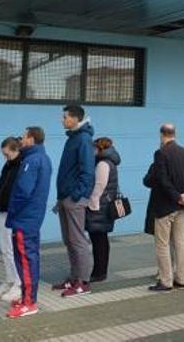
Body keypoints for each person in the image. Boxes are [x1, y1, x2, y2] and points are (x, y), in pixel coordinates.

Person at [6, 126, 53, 318]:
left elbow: (23, 191)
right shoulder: (42, 158)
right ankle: (28, 297)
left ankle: (29, 302)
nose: (21, 140)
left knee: (26, 260)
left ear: (32, 139)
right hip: (31, 218)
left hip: (25, 219)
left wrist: (13, 211)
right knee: (30, 259)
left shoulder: (32, 161)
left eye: (24, 137)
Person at [145, 124, 184, 292]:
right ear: (174, 134)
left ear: (161, 135)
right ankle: (181, 279)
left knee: (162, 244)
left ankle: (166, 281)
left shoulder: (161, 153)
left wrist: (176, 196)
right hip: (182, 206)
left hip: (165, 205)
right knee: (180, 242)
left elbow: (162, 180)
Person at [53, 105, 95, 297]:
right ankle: (73, 277)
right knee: (69, 240)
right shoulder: (73, 138)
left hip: (74, 199)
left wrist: (77, 195)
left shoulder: (84, 139)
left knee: (78, 240)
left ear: (75, 119)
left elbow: (88, 172)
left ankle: (83, 282)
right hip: (65, 198)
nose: (62, 120)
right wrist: (61, 197)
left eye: (65, 117)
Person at [0, 137, 23, 302]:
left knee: (12, 248)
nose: (5, 157)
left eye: (7, 154)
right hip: (2, 209)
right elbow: (1, 183)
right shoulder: (8, 165)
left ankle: (19, 282)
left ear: (16, 150)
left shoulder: (22, 165)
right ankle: (10, 279)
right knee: (5, 248)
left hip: (13, 212)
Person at [86, 137, 121, 283]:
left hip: (99, 207)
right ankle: (100, 271)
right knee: (101, 239)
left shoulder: (103, 164)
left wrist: (92, 203)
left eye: (94, 148)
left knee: (98, 240)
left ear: (99, 149)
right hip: (105, 206)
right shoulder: (110, 162)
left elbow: (99, 186)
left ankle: (99, 272)